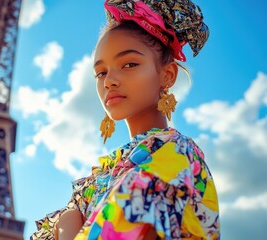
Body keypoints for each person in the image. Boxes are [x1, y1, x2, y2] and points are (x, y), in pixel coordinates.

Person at [30, 0, 220, 239]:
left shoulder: (177, 157)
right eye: (101, 72)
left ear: (167, 75)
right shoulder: (102, 174)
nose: (109, 81)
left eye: (129, 64)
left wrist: (67, 223)